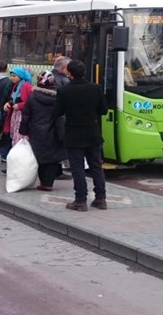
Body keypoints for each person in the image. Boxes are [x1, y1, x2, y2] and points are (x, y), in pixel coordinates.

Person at [52, 59, 109, 212]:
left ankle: (80, 200)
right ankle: (101, 198)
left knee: (78, 168)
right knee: (96, 166)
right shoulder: (96, 88)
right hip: (92, 133)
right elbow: (103, 110)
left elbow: (57, 112)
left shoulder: (64, 91)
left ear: (69, 73)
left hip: (74, 134)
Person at [19, 71, 67, 191]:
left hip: (36, 131)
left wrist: (23, 131)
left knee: (39, 157)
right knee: (52, 158)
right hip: (54, 131)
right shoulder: (59, 97)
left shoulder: (33, 96)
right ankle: (48, 183)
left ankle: (43, 182)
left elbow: (26, 115)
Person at [1, 66, 34, 165]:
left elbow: (31, 101)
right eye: (11, 76)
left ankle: (19, 164)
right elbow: (13, 99)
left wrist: (19, 106)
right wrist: (8, 104)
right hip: (14, 116)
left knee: (20, 140)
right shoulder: (16, 86)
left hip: (22, 117)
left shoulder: (27, 86)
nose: (12, 78)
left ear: (20, 76)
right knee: (14, 138)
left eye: (14, 76)